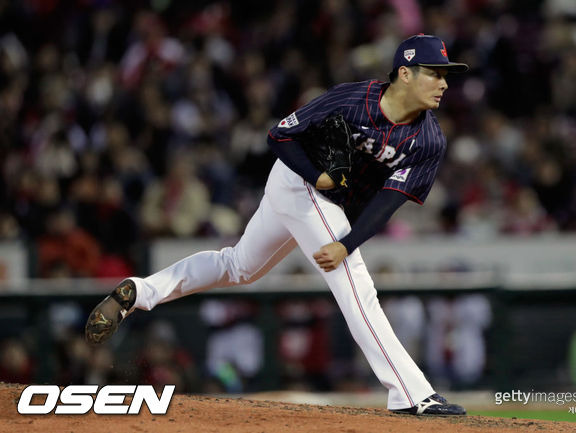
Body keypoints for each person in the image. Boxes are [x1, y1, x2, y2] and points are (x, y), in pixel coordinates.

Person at [85, 34, 468, 416]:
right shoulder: (353, 99)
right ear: (404, 73)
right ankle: (411, 393)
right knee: (355, 285)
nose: (444, 83)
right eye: (434, 73)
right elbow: (280, 135)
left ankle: (142, 290)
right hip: (299, 183)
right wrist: (316, 177)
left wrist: (347, 243)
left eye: (445, 75)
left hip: (328, 201)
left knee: (237, 266)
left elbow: (389, 201)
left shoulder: (429, 141)